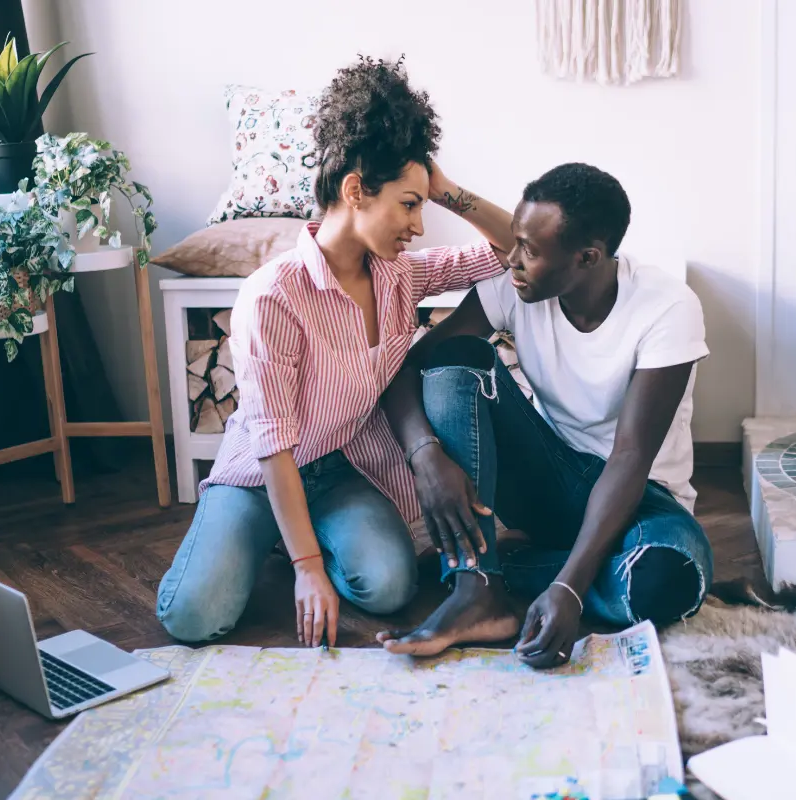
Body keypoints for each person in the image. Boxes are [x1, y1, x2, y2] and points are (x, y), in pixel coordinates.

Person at [156, 57, 513, 647]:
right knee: (192, 617)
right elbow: (272, 445)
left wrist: (444, 189)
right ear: (355, 191)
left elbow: (511, 251)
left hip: (338, 468)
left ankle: (296, 531)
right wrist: (308, 570)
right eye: (409, 204)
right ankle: (270, 534)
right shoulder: (273, 296)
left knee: (389, 586)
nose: (419, 225)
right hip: (261, 470)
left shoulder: (401, 275)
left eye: (422, 204)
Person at [377, 162, 713, 669]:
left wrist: (570, 590)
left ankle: (509, 570)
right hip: (551, 481)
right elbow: (412, 367)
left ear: (588, 257)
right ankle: (476, 589)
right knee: (455, 360)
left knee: (667, 580)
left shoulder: (666, 307)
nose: (511, 260)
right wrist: (425, 455)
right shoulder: (513, 288)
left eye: (529, 251)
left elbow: (629, 457)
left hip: (640, 501)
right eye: (514, 241)